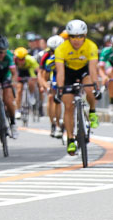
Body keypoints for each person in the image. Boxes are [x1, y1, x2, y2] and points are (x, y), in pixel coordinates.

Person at [55, 20, 101, 155]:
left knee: (89, 89)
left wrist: (96, 88)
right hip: (68, 72)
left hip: (84, 70)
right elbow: (60, 72)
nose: (76, 40)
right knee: (68, 106)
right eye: (73, 37)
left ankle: (92, 111)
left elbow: (93, 70)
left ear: (85, 35)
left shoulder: (91, 46)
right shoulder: (61, 49)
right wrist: (60, 89)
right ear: (68, 37)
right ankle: (70, 139)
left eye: (80, 36)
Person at [39, 34, 64, 138]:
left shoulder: (66, 52)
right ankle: (55, 124)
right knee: (52, 97)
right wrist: (45, 85)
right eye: (52, 50)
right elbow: (42, 73)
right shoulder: (46, 56)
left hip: (66, 74)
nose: (54, 52)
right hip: (53, 75)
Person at [13, 46, 39, 118]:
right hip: (19, 72)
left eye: (23, 59)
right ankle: (17, 110)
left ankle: (31, 95)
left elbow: (37, 70)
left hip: (29, 71)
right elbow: (13, 72)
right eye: (19, 59)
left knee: (31, 81)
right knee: (19, 90)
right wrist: (13, 81)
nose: (21, 61)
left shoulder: (31, 59)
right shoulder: (13, 61)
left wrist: (36, 78)